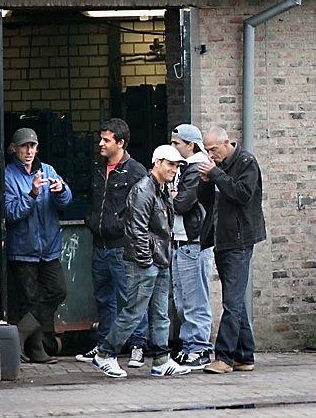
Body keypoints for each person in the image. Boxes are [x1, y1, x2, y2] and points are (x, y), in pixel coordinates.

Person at [92, 145, 190, 378]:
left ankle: (162, 360)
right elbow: (136, 230)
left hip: (157, 260)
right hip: (146, 262)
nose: (174, 170)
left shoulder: (158, 189)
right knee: (135, 311)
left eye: (176, 165)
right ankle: (105, 354)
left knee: (159, 313)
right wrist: (147, 262)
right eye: (170, 164)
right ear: (157, 162)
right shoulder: (144, 190)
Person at [76, 118, 150, 368]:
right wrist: (90, 220)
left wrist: (121, 225)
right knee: (104, 299)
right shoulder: (98, 169)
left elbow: (143, 207)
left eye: (106, 140)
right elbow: (94, 202)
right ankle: (106, 347)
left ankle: (138, 345)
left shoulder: (136, 171)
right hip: (100, 245)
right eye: (101, 138)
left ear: (121, 143)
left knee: (130, 298)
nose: (101, 144)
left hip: (121, 247)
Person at [197, 126, 266, 374]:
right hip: (222, 239)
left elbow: (242, 194)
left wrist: (215, 174)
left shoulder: (246, 162)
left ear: (227, 143)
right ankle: (245, 355)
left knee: (232, 302)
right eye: (207, 150)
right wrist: (206, 181)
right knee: (235, 301)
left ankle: (224, 358)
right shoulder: (220, 167)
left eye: (213, 149)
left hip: (240, 240)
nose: (210, 154)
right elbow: (207, 201)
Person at [4, 127, 73, 364]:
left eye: (32, 146)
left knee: (57, 291)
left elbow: (66, 200)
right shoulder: (8, 176)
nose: (29, 151)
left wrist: (61, 190)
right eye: (24, 146)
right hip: (23, 250)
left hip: (49, 248)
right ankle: (36, 350)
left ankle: (20, 336)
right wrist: (32, 194)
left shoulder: (48, 170)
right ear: (14, 149)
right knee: (29, 301)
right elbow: (11, 213)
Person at [168, 124, 214, 370]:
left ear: (191, 145)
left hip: (193, 241)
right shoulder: (185, 168)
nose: (173, 148)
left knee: (195, 298)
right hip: (181, 239)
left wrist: (173, 194)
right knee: (183, 299)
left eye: (177, 144)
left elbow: (182, 204)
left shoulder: (197, 168)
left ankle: (199, 348)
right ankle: (189, 346)